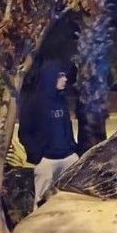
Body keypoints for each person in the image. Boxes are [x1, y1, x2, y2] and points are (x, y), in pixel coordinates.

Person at [18, 61, 78, 206]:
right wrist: (37, 156)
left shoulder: (61, 100)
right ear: (50, 77)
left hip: (67, 158)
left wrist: (72, 148)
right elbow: (24, 132)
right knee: (42, 203)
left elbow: (67, 127)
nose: (65, 79)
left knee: (71, 199)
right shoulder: (33, 102)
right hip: (46, 161)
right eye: (61, 76)